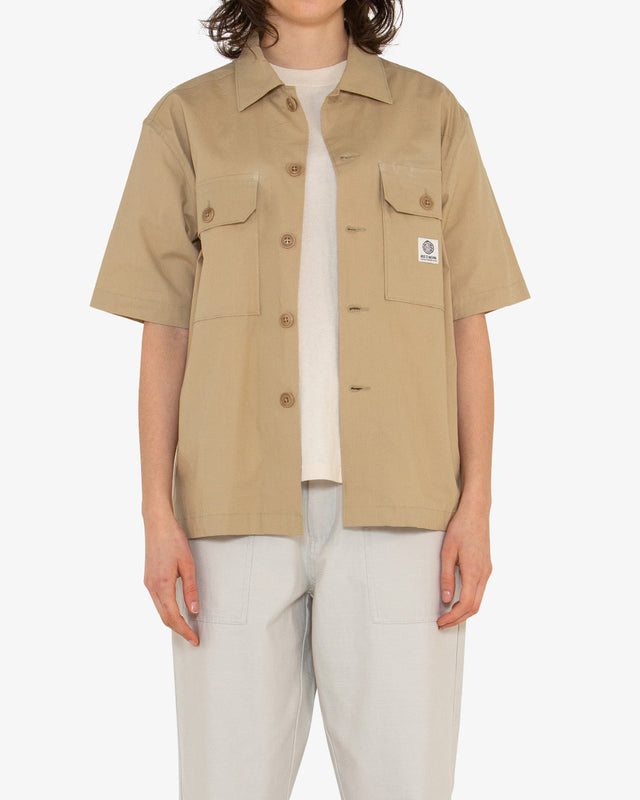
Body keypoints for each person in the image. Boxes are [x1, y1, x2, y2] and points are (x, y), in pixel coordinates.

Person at [89, 1, 530, 797]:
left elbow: (468, 323)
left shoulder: (433, 116)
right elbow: (165, 331)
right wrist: (157, 515)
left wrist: (477, 506)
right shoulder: (184, 122)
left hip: (404, 517)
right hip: (230, 518)